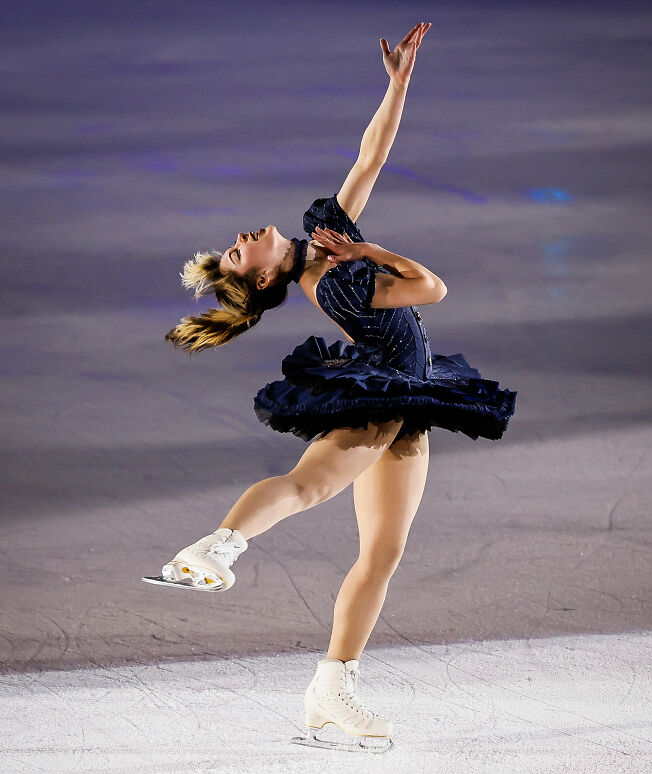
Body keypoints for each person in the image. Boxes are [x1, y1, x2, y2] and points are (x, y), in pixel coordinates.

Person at [142, 21, 516, 753]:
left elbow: (370, 155)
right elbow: (432, 289)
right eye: (239, 250)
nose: (244, 235)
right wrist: (370, 249)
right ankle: (216, 547)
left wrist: (398, 82)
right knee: (312, 485)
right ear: (261, 275)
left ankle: (331, 685)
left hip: (408, 398)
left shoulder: (321, 239)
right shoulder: (336, 279)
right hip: (382, 394)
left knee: (382, 551)